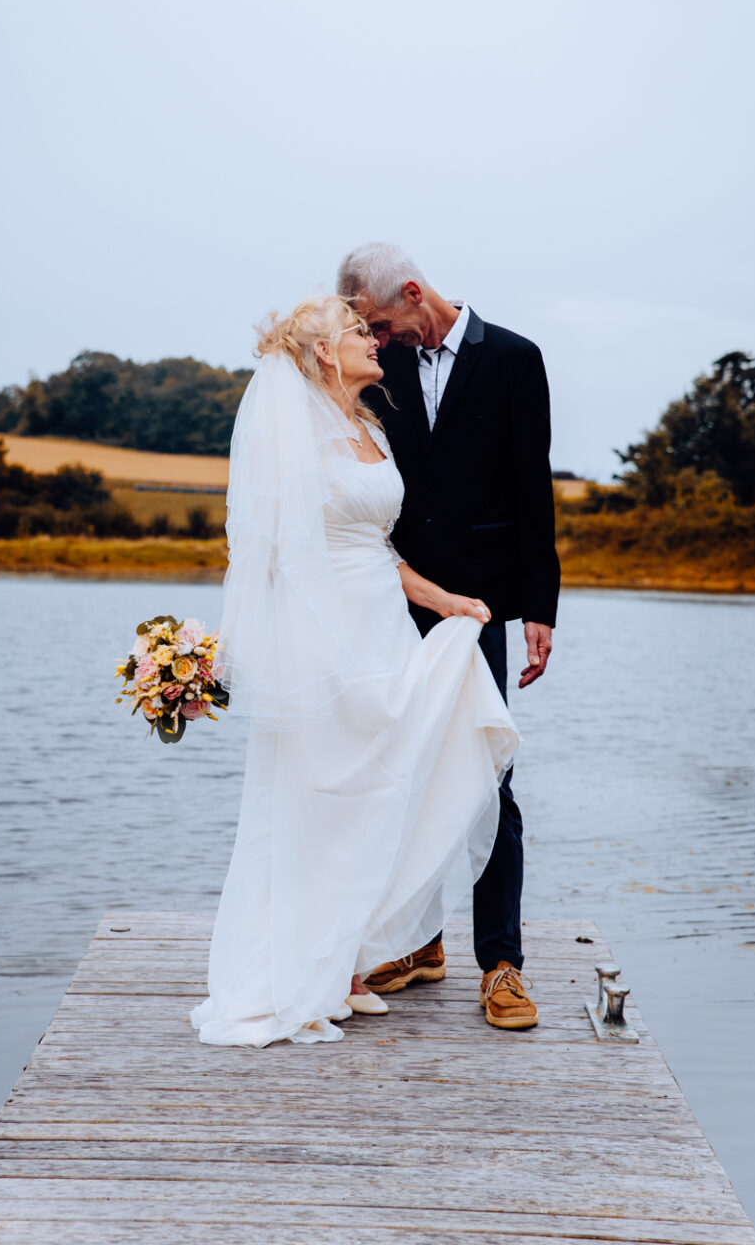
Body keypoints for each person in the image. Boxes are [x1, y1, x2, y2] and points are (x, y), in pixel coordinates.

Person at [191, 295, 518, 1047]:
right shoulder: (293, 439)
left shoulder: (369, 427)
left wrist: (445, 601)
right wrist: (244, 651)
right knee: (322, 800)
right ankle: (302, 970)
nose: (375, 342)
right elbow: (271, 556)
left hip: (384, 631)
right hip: (324, 642)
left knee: (381, 791)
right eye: (357, 335)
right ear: (321, 355)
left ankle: (344, 960)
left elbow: (379, 548)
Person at [336, 243, 560, 1031]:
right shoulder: (377, 365)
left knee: (488, 770)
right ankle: (420, 943)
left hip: (479, 608)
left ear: (411, 292)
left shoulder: (514, 360)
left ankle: (501, 963)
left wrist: (541, 606)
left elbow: (534, 486)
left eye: (383, 324)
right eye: (370, 332)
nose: (380, 340)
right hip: (390, 600)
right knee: (400, 769)